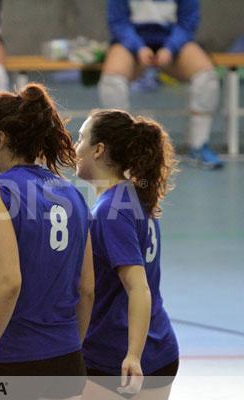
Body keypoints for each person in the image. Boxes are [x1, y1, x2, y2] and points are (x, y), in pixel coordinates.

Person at [0, 83, 95, 400]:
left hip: (13, 356)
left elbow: (8, 282)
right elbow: (87, 287)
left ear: (1, 140)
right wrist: (69, 347)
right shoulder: (71, 192)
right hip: (67, 358)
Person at [75, 109, 179, 399]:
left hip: (117, 357)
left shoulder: (111, 211)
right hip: (160, 347)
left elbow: (138, 287)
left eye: (81, 138)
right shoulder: (134, 196)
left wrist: (133, 355)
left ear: (98, 150)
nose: (75, 147)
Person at [99, 0, 223, 169]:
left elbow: (188, 23)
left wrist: (170, 48)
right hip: (132, 45)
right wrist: (138, 47)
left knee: (206, 78)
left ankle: (199, 146)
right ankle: (121, 148)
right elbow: (118, 23)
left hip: (172, 44)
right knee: (111, 81)